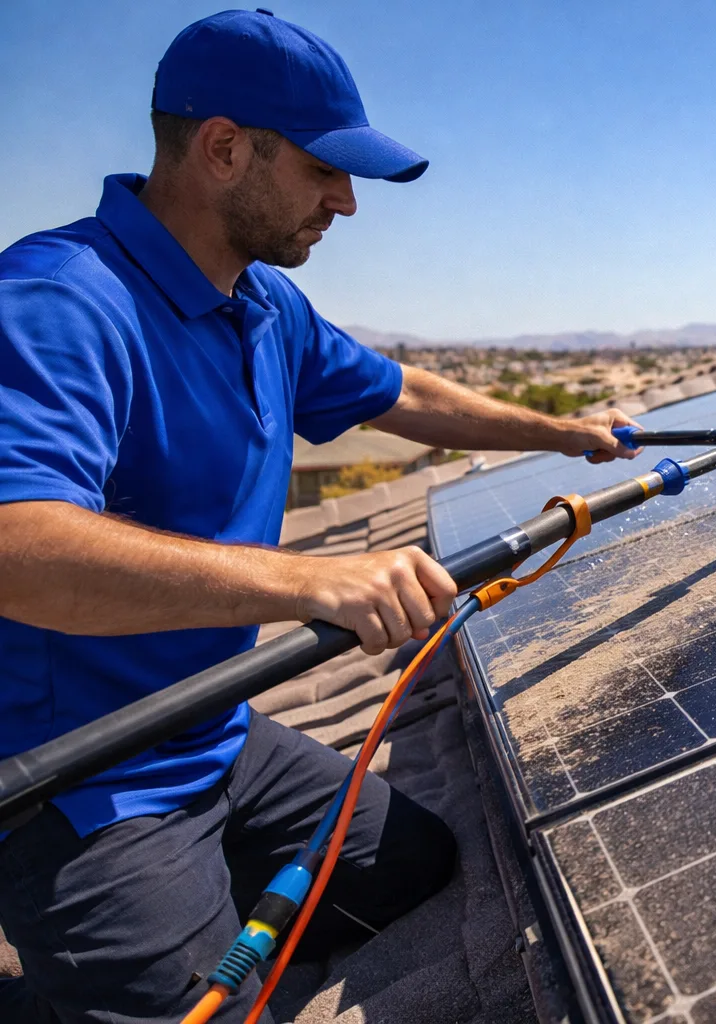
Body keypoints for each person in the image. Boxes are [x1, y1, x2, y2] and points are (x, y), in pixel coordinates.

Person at [0, 10, 640, 1022]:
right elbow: (16, 544)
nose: (346, 201)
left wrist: (566, 437)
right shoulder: (59, 299)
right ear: (221, 148)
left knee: (410, 861)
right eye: (323, 170)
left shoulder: (265, 307)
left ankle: (188, 920)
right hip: (89, 779)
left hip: (216, 731)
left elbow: (405, 395)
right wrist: (308, 579)